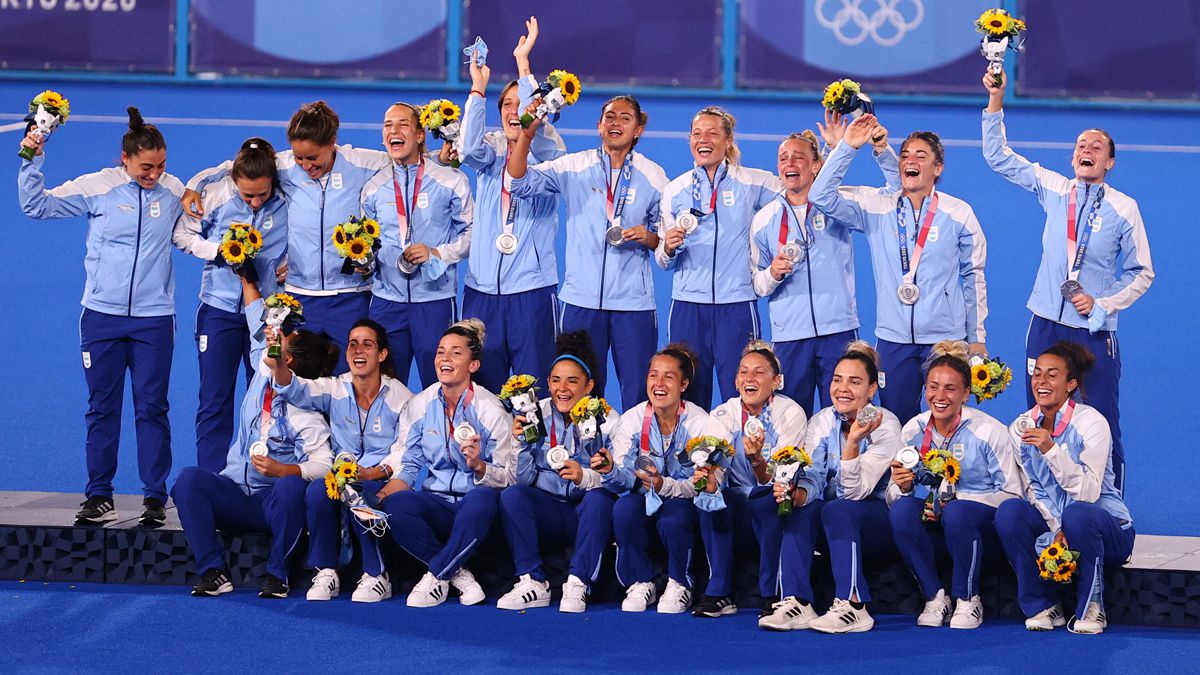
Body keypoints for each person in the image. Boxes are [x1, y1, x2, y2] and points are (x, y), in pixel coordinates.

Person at [982, 72, 1153, 493]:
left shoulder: (1124, 208)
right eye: (1080, 146)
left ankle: (1110, 510)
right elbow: (998, 156)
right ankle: (1042, 505)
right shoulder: (1055, 189)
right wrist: (995, 99)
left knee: (1101, 421)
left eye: (1096, 147)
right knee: (1038, 415)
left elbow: (1142, 272)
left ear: (1109, 162)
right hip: (1045, 322)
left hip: (1091, 331)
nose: (1086, 151)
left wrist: (1103, 304)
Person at [19, 107, 184, 526]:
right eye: (147, 166)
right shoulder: (98, 187)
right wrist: (33, 158)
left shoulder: (174, 191)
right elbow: (35, 206)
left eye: (162, 165)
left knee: (153, 408)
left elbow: (207, 220)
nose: (155, 173)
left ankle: (154, 496)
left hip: (153, 320)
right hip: (101, 318)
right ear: (124, 159)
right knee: (101, 407)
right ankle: (99, 494)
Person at [184, 101, 392, 371]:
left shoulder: (362, 163)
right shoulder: (283, 166)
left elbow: (402, 161)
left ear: (332, 143)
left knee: (348, 383)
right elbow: (239, 166)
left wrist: (441, 160)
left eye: (312, 158)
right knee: (298, 386)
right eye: (299, 158)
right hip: (299, 297)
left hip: (351, 296)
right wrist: (194, 185)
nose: (305, 165)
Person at [810, 114, 989, 425]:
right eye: (905, 155)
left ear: (938, 168)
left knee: (948, 419)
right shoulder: (877, 207)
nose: (911, 160)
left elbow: (974, 277)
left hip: (946, 339)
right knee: (894, 421)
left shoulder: (959, 213)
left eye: (921, 156)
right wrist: (848, 148)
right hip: (894, 340)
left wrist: (977, 337)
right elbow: (820, 196)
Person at [173, 276, 337, 599]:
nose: (274, 342)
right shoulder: (264, 369)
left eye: (283, 342)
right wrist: (246, 276)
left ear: (288, 361)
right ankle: (212, 571)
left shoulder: (308, 415)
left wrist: (284, 471)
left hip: (273, 504)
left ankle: (278, 575)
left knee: (292, 488)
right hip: (234, 493)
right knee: (188, 480)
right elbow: (255, 317)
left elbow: (324, 465)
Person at [507, 95, 667, 409]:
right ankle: (581, 457)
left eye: (624, 118)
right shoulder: (573, 167)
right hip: (580, 301)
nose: (615, 123)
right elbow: (518, 182)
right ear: (598, 126)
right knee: (579, 393)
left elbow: (667, 243)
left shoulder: (654, 176)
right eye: (609, 117)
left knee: (637, 393)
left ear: (638, 129)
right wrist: (526, 134)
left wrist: (648, 237)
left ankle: (636, 455)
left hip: (633, 304)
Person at [750, 115, 899, 417]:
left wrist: (881, 149)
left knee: (846, 413)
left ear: (816, 165)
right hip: (790, 336)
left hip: (838, 330)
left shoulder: (839, 203)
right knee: (790, 416)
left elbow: (896, 193)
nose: (789, 163)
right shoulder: (763, 219)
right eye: (783, 158)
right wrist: (773, 273)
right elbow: (757, 283)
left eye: (798, 157)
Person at [267, 317, 414, 603]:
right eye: (353, 345)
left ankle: (376, 575)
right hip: (338, 481)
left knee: (357, 492)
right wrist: (280, 361)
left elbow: (405, 452)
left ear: (382, 355)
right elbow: (294, 389)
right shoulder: (334, 388)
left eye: (367, 345)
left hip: (377, 481)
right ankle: (326, 571)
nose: (358, 351)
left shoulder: (402, 397)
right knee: (316, 490)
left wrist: (371, 473)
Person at [459, 17, 568, 394]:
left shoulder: (549, 150)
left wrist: (524, 66)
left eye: (519, 104)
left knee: (532, 387)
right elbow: (466, 149)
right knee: (483, 386)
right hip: (481, 290)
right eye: (506, 104)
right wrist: (477, 90)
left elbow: (536, 129)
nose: (511, 111)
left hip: (531, 291)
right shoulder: (489, 150)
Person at [376, 319, 517, 608]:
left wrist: (479, 466)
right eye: (440, 352)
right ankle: (458, 575)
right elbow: (410, 464)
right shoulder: (420, 404)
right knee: (396, 506)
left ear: (473, 365)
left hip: (479, 510)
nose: (444, 359)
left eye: (455, 352)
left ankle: (435, 575)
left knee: (480, 499)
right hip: (437, 505)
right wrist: (381, 496)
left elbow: (511, 477)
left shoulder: (491, 410)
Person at [995, 342, 1133, 635]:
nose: (1041, 381)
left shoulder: (1092, 423)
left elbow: (1088, 493)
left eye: (1052, 375)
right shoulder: (1020, 427)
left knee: (1079, 515)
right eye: (1037, 373)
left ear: (1070, 384)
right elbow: (1032, 489)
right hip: (1056, 527)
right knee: (1010, 511)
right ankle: (1041, 605)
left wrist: (1051, 449)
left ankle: (1092, 607)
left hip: (1109, 530)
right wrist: (1057, 528)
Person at [887, 340, 1023, 629]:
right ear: (924, 391)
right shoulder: (914, 430)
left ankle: (968, 598)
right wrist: (904, 487)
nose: (940, 396)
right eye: (933, 387)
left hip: (981, 532)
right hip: (939, 525)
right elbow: (892, 493)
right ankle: (935, 596)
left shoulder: (989, 432)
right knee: (901, 511)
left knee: (958, 513)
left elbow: (1013, 494)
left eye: (950, 389)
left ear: (966, 394)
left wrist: (956, 501)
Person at [173, 137, 290, 472]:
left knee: (271, 399)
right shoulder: (217, 195)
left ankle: (262, 480)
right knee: (214, 402)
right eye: (247, 195)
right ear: (235, 183)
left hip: (267, 316)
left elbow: (308, 238)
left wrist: (290, 265)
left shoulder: (287, 201)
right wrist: (217, 252)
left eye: (261, 195)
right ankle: (211, 482)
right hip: (218, 311)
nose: (254, 202)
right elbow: (182, 235)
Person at [657, 106, 782, 408]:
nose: (704, 140)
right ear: (689, 140)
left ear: (728, 141)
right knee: (687, 393)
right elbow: (662, 259)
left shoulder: (756, 183)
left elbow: (800, 194)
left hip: (736, 304)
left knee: (741, 393)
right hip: (688, 306)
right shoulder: (675, 190)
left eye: (713, 133)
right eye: (697, 134)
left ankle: (744, 454)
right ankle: (689, 455)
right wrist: (669, 247)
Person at [495, 331, 621, 613]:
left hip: (585, 511)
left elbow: (619, 482)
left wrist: (584, 477)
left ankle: (578, 583)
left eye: (572, 381)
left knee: (599, 498)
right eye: (555, 380)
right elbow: (522, 480)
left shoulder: (608, 418)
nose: (562, 388)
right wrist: (521, 443)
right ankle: (533, 582)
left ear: (588, 386)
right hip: (548, 510)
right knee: (513, 495)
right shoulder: (533, 414)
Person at [360, 102, 472, 386]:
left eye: (402, 125)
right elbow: (366, 244)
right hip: (386, 302)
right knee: (383, 388)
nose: (393, 131)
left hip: (433, 301)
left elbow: (472, 234)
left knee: (439, 385)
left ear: (421, 134)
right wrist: (364, 263)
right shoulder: (373, 188)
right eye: (388, 125)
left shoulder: (450, 180)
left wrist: (437, 253)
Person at [697, 340, 807, 619]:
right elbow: (716, 465)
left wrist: (757, 460)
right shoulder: (723, 414)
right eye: (744, 372)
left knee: (767, 499)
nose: (749, 378)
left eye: (759, 372)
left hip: (773, 503)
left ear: (777, 381)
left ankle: (772, 593)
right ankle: (719, 591)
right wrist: (711, 482)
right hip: (736, 505)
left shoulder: (791, 413)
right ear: (735, 381)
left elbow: (781, 478)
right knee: (710, 498)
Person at [802, 341, 902, 634]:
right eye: (837, 379)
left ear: (872, 390)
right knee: (800, 509)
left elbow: (855, 493)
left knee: (838, 509)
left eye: (854, 382)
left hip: (878, 524)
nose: (842, 388)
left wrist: (854, 442)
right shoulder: (822, 421)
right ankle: (795, 601)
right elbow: (814, 476)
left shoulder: (886, 425)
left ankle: (854, 604)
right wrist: (799, 493)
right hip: (837, 520)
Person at [607, 344, 711, 614]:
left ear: (684, 384)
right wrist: (609, 470)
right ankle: (643, 580)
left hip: (683, 502)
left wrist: (667, 485)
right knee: (624, 508)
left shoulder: (699, 423)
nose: (659, 383)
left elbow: (700, 485)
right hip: (645, 499)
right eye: (653, 375)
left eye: (669, 376)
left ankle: (680, 583)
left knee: (674, 516)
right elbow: (621, 478)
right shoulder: (633, 419)